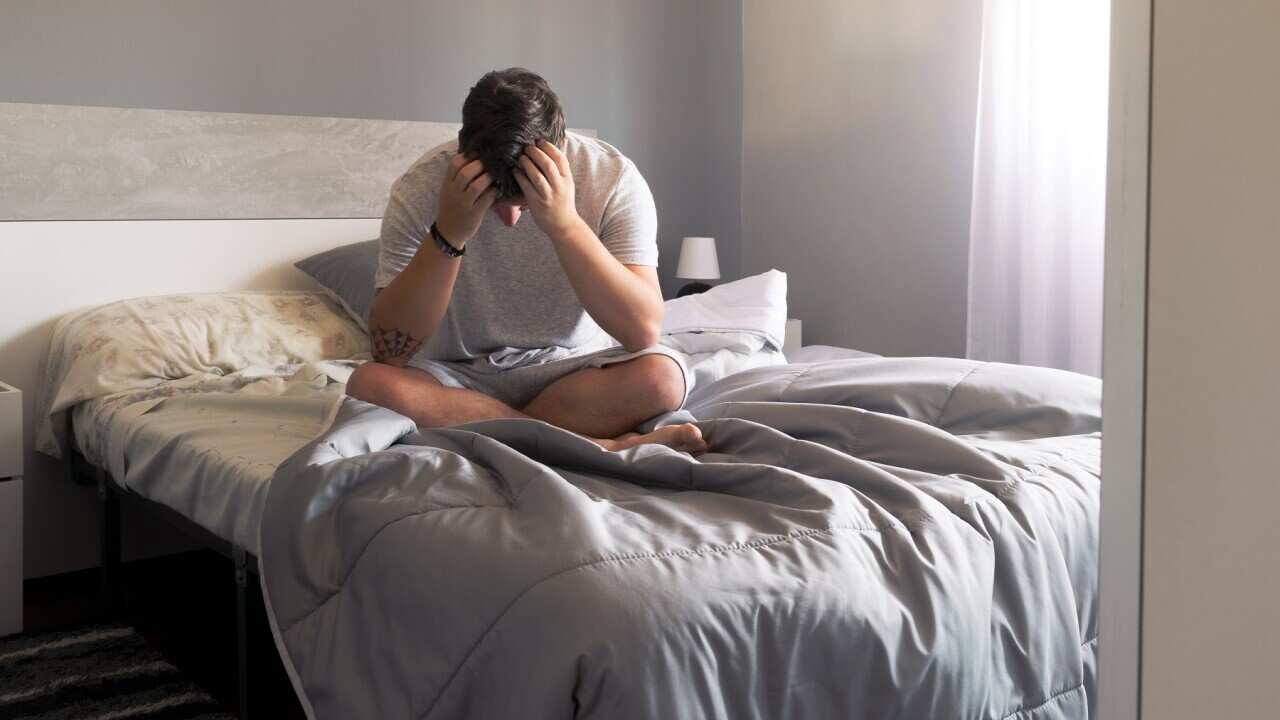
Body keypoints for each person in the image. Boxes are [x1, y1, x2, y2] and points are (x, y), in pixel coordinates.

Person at [346, 68, 706, 454]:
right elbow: (390, 353)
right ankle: (596, 445)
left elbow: (641, 331)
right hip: (459, 377)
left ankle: (494, 431)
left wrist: (564, 224)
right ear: (465, 152)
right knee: (369, 384)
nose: (511, 219)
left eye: (524, 203)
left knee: (662, 379)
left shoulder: (612, 178)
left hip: (572, 373)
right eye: (497, 202)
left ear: (560, 149)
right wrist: (449, 234)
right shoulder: (420, 186)